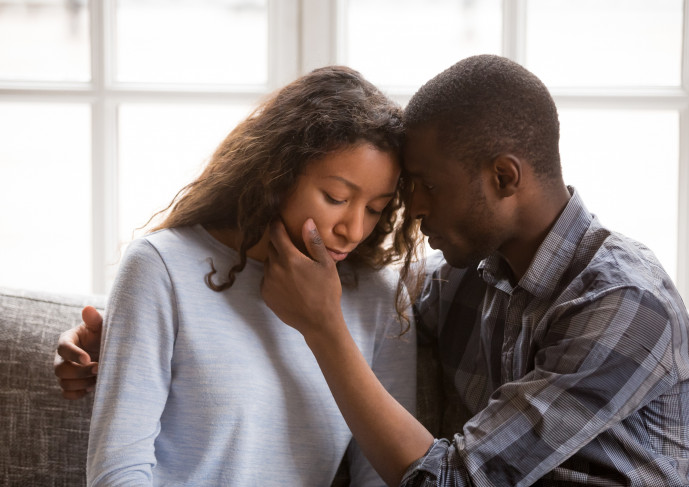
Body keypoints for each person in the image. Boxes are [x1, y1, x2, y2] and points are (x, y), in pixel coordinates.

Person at [57, 55, 689, 486]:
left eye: (412, 192)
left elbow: (448, 481)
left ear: (503, 178)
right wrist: (120, 344)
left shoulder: (624, 304)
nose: (405, 216)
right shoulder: (468, 279)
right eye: (346, 197)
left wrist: (324, 327)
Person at [58, 65, 422, 486]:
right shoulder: (161, 268)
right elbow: (117, 474)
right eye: (336, 198)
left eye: (375, 208)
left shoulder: (380, 300)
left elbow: (390, 477)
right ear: (279, 174)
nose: (354, 229)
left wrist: (326, 323)